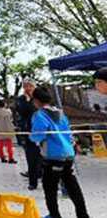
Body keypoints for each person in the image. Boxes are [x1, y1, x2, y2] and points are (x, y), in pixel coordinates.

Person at [30, 87, 90, 218]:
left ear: (36, 101)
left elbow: (38, 135)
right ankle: (83, 215)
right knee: (72, 186)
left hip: (53, 156)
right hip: (68, 154)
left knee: (50, 188)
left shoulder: (39, 115)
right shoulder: (60, 113)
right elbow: (68, 133)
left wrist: (31, 137)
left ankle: (54, 215)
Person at [16, 78, 43, 190]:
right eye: (26, 86)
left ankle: (43, 175)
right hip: (29, 132)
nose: (28, 88)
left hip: (42, 131)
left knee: (44, 157)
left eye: (30, 86)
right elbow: (23, 112)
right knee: (31, 157)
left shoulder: (40, 97)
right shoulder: (21, 99)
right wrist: (27, 101)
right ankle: (33, 182)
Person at [0, 99, 17, 164]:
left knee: (0, 145)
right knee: (9, 145)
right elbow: (11, 119)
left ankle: (2, 158)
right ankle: (10, 158)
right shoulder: (8, 111)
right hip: (8, 130)